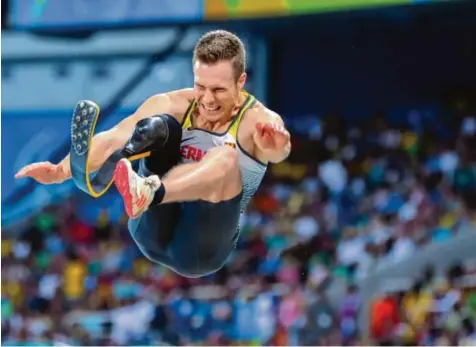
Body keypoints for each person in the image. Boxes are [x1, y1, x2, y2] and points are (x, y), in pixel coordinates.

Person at [15, 30, 291, 278]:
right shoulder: (174, 102)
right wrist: (61, 170)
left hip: (198, 252)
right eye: (201, 87)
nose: (207, 99)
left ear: (240, 81)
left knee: (226, 158)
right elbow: (115, 135)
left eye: (219, 90)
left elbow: (279, 151)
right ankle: (120, 177)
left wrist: (275, 145)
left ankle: (151, 191)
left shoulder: (257, 122)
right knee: (160, 126)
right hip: (150, 231)